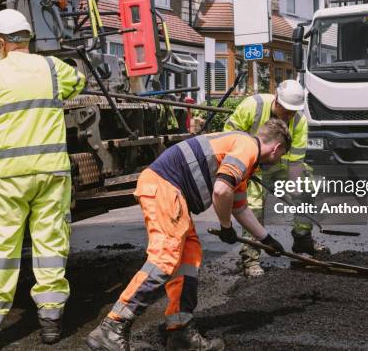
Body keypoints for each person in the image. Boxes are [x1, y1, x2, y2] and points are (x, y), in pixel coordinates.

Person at [86, 119, 290, 351]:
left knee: (188, 258)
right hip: (165, 187)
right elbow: (222, 190)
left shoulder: (243, 159)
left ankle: (180, 331)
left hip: (174, 194)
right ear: (276, 148)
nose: (279, 160)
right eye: (281, 155)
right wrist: (225, 227)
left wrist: (266, 240)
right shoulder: (247, 147)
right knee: (164, 258)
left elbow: (239, 207)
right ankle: (112, 326)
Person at [0, 9, 86, 349]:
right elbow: (80, 83)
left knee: (1, 247)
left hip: (9, 177)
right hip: (52, 173)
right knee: (50, 245)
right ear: (27, 39)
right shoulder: (52, 68)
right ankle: (51, 325)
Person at [223, 80, 325, 278]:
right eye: (286, 111)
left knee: (307, 185)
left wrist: (296, 192)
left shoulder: (299, 121)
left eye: (293, 112)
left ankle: (302, 238)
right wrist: (244, 166)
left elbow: (295, 161)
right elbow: (229, 137)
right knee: (252, 205)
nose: (289, 116)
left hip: (279, 165)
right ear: (276, 99)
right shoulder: (253, 106)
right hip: (249, 165)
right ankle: (250, 258)